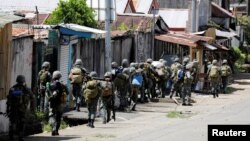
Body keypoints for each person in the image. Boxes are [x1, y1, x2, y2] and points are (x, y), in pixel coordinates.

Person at [7, 75, 34, 141]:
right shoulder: (27, 89)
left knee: (12, 122)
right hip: (22, 110)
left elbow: (8, 100)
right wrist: (32, 108)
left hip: (13, 109)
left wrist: (8, 109)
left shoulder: (12, 88)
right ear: (23, 81)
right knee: (22, 123)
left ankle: (11, 136)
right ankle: (20, 137)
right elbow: (32, 98)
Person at [48, 71, 67, 136]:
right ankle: (56, 130)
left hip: (52, 102)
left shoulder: (50, 84)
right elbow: (67, 92)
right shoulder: (62, 84)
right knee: (58, 116)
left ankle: (53, 128)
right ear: (59, 77)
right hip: (59, 102)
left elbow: (47, 93)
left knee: (52, 115)